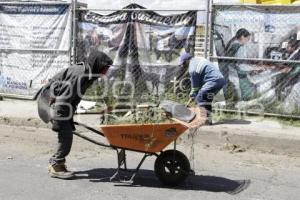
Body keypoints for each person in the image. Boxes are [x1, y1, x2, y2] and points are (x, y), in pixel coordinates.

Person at [37, 50, 113, 179]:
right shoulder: (79, 74)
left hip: (61, 104)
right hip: (51, 103)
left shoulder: (89, 75)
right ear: (97, 65)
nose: (106, 72)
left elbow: (75, 96)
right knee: (65, 134)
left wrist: (70, 114)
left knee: (67, 131)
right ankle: (55, 165)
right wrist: (58, 120)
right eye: (105, 68)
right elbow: (62, 99)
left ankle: (59, 163)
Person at [180, 53, 226, 125]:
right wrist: (195, 92)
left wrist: (193, 94)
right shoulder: (198, 60)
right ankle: (208, 120)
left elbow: (195, 86)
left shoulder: (192, 68)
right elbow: (200, 81)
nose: (183, 66)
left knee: (200, 98)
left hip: (213, 81)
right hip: (220, 80)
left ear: (187, 61)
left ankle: (203, 120)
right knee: (207, 99)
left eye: (183, 63)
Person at [220, 28, 252, 103]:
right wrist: (253, 68)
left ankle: (233, 102)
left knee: (232, 88)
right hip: (234, 71)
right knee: (239, 89)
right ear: (242, 37)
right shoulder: (240, 47)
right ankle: (239, 103)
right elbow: (241, 65)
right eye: (247, 39)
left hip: (227, 69)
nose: (248, 41)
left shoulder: (231, 43)